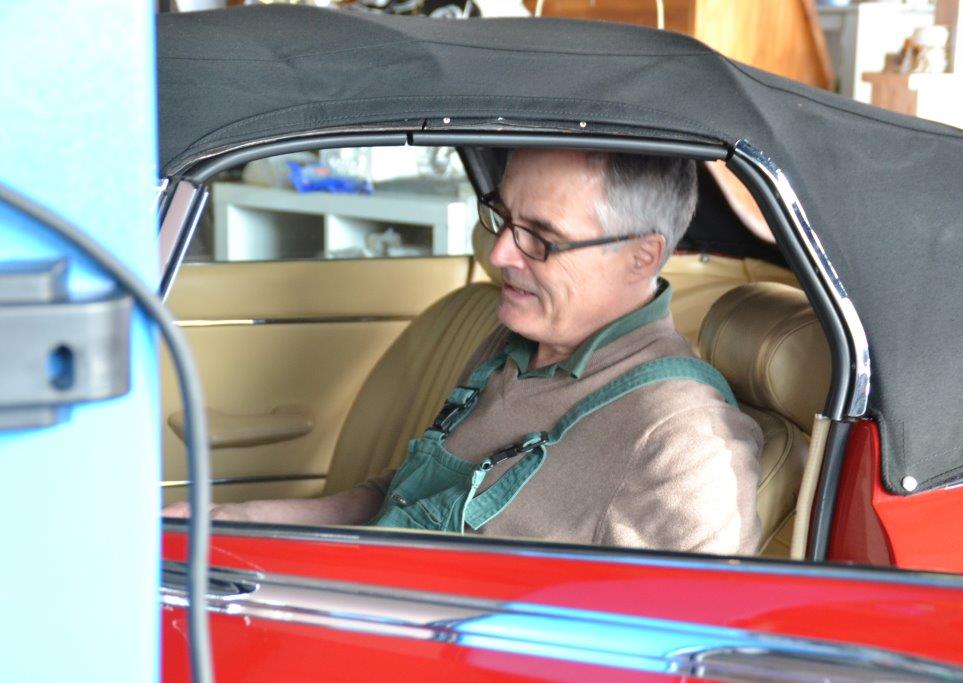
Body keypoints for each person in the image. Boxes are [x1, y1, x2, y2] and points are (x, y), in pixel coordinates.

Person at [166, 148, 764, 554]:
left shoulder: (683, 442)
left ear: (642, 255)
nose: (500, 253)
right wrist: (238, 521)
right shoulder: (517, 343)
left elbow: (686, 651)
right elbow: (403, 499)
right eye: (503, 218)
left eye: (541, 237)